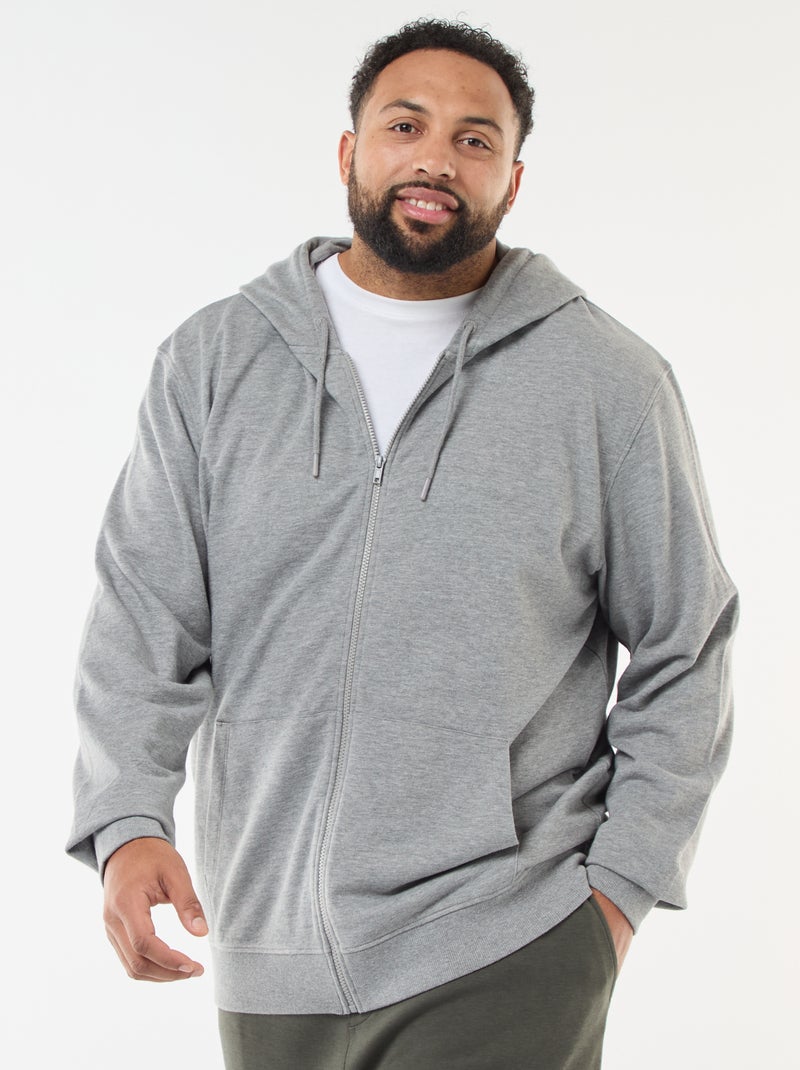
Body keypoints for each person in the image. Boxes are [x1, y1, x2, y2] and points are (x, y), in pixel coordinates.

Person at [66, 17, 739, 1070]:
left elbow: (684, 645)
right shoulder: (213, 362)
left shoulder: (606, 381)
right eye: (405, 125)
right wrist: (125, 821)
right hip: (266, 949)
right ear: (350, 151)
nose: (436, 158)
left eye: (475, 139)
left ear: (513, 180)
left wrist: (613, 898)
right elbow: (142, 614)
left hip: (505, 941)